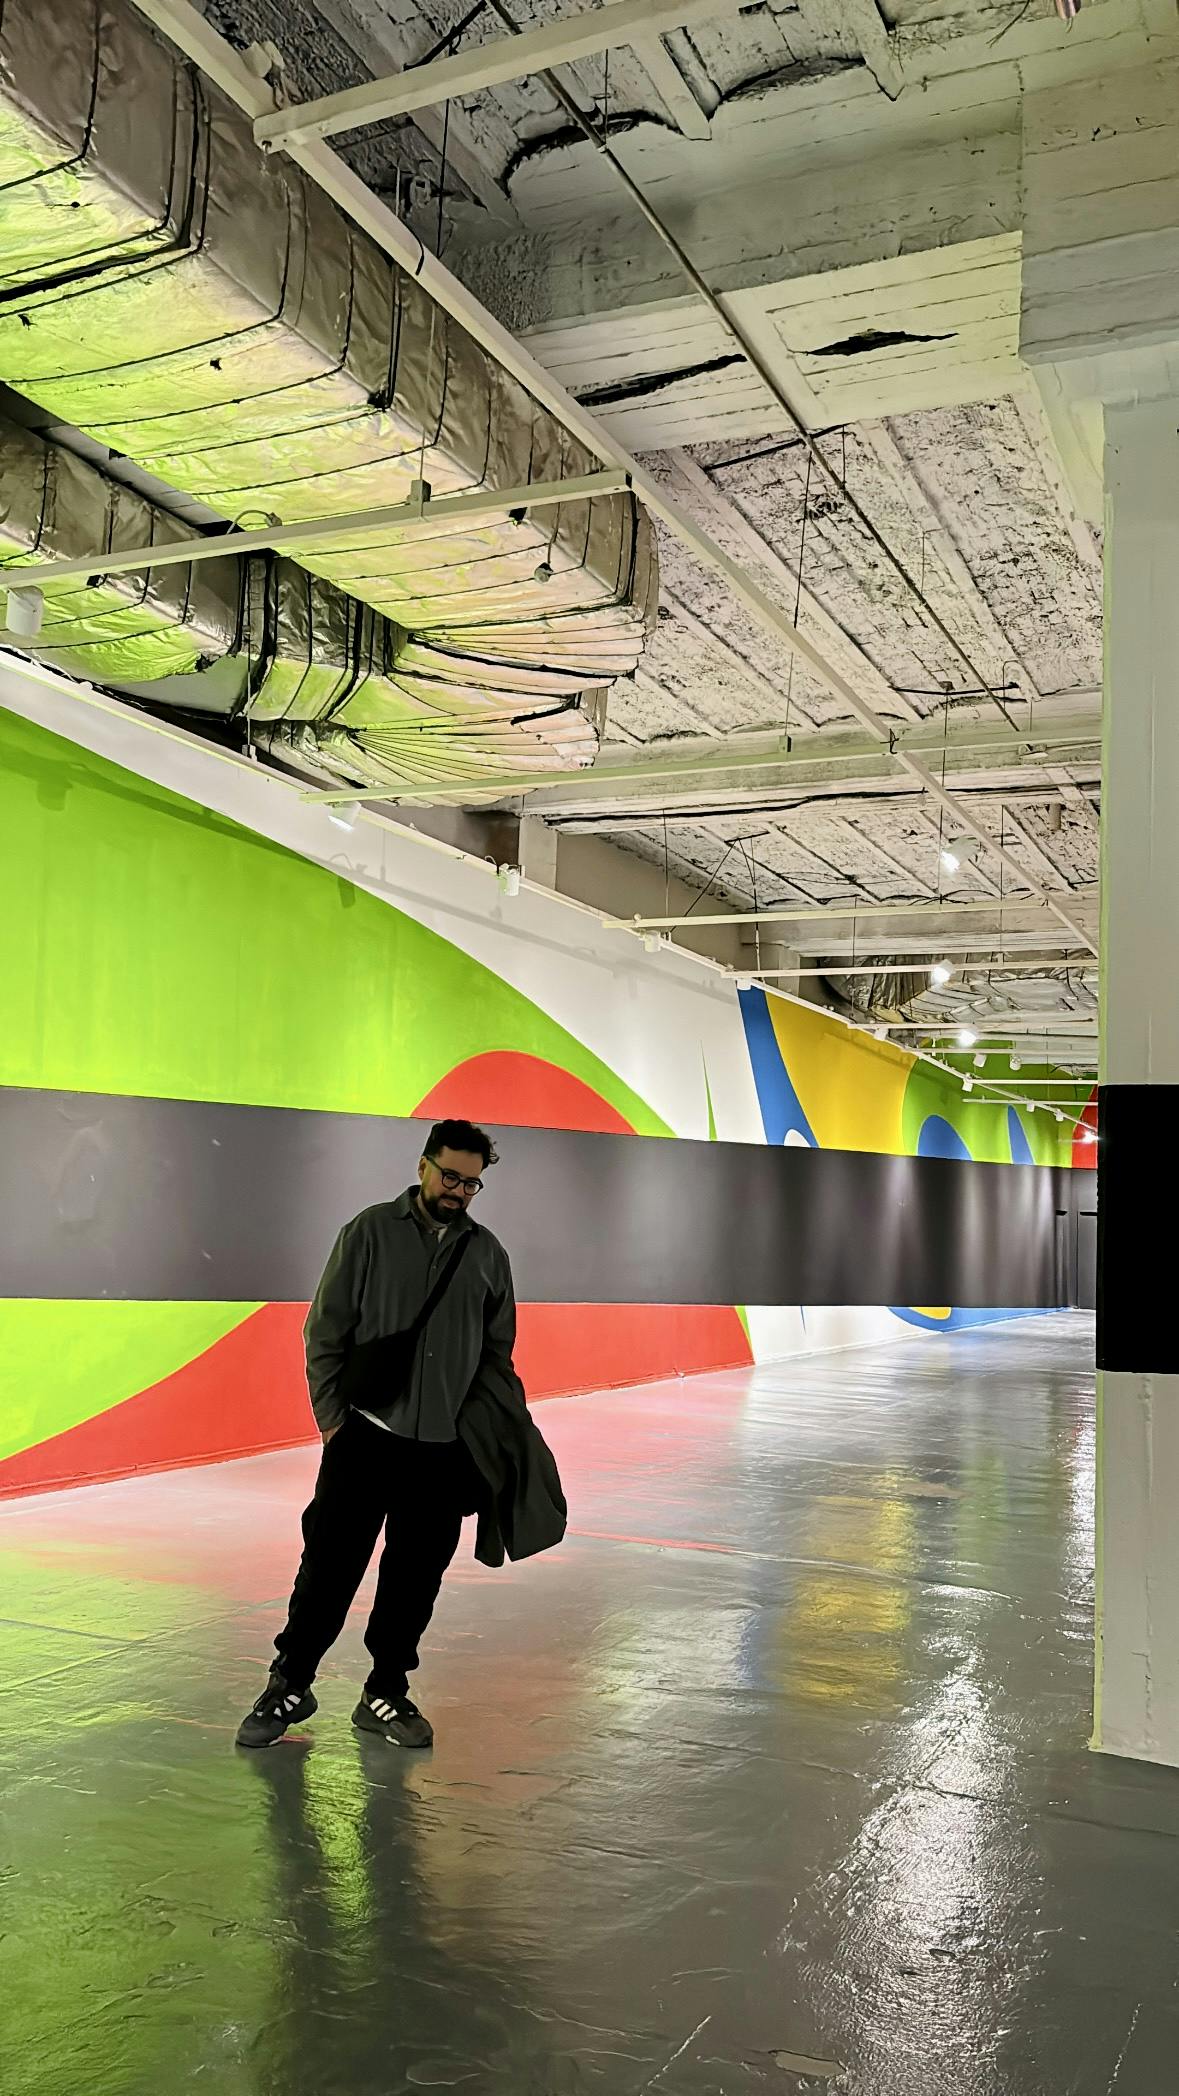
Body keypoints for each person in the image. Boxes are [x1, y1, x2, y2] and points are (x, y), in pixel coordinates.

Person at [237, 1119, 520, 1752]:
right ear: (423, 1165)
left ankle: (385, 1690)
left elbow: (496, 1355)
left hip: (441, 1451)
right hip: (364, 1436)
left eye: (473, 1184)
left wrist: (477, 1437)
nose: (459, 1191)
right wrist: (333, 1421)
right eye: (450, 1176)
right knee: (330, 1566)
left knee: (415, 1576)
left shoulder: (487, 1255)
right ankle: (291, 1682)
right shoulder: (368, 1232)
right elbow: (325, 1331)